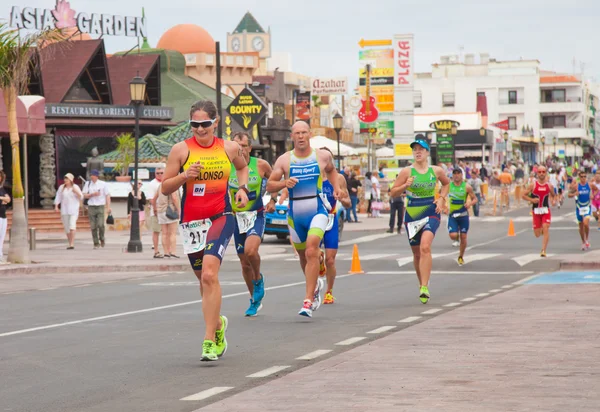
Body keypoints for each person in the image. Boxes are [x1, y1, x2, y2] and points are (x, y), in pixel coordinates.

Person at [161, 100, 249, 362]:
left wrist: (242, 189)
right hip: (192, 223)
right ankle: (219, 324)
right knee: (204, 281)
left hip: (221, 216)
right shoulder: (180, 150)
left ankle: (209, 340)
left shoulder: (229, 148)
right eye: (195, 124)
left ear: (215, 123)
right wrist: (184, 176)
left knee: (210, 274)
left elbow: (243, 167)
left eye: (205, 124)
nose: (200, 129)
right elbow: (165, 188)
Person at [267, 121, 341, 318]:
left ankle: (308, 300)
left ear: (310, 134)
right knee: (304, 256)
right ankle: (315, 283)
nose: (300, 136)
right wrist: (284, 182)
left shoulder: (322, 156)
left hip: (317, 209)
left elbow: (332, 170)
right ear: (292, 136)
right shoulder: (284, 160)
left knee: (311, 249)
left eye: (303, 133)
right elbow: (270, 185)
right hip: (295, 214)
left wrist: (336, 187)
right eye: (297, 133)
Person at [390, 138, 449, 304]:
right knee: (416, 253)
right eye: (415, 149)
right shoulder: (407, 172)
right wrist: (404, 186)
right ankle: (422, 282)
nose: (417, 152)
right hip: (413, 213)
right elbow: (393, 192)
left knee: (425, 246)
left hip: (431, 210)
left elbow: (446, 184)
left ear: (427, 152)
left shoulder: (436, 171)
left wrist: (442, 199)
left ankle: (424, 286)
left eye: (421, 149)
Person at [230, 131, 277, 317]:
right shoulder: (228, 166)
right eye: (236, 145)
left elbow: (274, 182)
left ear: (250, 147)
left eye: (243, 145)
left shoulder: (260, 165)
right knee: (243, 263)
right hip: (237, 218)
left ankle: (258, 279)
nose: (239, 148)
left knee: (251, 251)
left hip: (256, 215)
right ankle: (254, 300)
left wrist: (272, 200)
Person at [318, 147, 351, 305]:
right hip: (314, 220)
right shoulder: (313, 177)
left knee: (330, 260)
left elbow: (348, 202)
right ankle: (319, 264)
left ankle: (329, 292)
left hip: (331, 219)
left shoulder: (339, 178)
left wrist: (343, 198)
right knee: (313, 255)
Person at [522, 166, 556, 257]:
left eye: (543, 172)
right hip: (536, 211)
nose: (541, 173)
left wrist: (553, 200)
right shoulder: (533, 185)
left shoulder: (549, 185)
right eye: (540, 172)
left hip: (545, 210)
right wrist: (532, 200)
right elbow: (523, 195)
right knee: (537, 234)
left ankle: (543, 250)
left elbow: (553, 195)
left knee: (546, 227)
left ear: (545, 173)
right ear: (537, 173)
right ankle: (540, 229)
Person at [446, 168, 478, 265]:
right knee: (453, 235)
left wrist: (470, 204)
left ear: (461, 175)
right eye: (454, 174)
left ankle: (461, 256)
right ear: (452, 175)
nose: (456, 175)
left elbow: (475, 199)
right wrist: (443, 206)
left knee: (463, 237)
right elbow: (441, 195)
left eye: (458, 173)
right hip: (452, 215)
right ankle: (456, 236)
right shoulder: (448, 186)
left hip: (463, 214)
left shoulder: (467, 187)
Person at [82, 169, 111, 249]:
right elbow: (84, 195)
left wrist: (108, 207)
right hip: (91, 206)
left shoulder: (103, 184)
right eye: (91, 175)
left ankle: (102, 238)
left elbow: (107, 195)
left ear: (97, 176)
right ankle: (96, 243)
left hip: (100, 206)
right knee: (93, 226)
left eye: (93, 175)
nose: (92, 177)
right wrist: (92, 194)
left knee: (101, 224)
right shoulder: (88, 184)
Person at [54, 173, 82, 249]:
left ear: (71, 180)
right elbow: (58, 196)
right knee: (67, 228)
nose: (65, 180)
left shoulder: (75, 187)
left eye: (67, 179)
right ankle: (70, 243)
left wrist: (75, 191)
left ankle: (72, 243)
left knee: (72, 226)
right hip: (64, 210)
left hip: (73, 210)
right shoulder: (61, 187)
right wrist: (56, 206)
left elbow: (81, 197)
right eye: (65, 178)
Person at [568, 171, 596, 250]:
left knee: (586, 223)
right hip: (579, 207)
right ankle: (583, 241)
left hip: (587, 206)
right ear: (579, 177)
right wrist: (574, 194)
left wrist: (593, 195)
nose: (583, 178)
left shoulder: (589, 185)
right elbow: (569, 195)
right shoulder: (576, 186)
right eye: (582, 177)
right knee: (581, 226)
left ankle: (587, 239)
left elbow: (596, 190)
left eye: (584, 176)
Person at [154, 182, 180, 258]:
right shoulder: (172, 185)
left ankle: (166, 252)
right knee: (172, 233)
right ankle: (173, 251)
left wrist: (155, 208)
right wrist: (179, 210)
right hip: (170, 210)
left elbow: (154, 198)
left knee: (164, 233)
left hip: (161, 211)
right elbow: (174, 198)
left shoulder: (160, 186)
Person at [146, 167, 164, 258]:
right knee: (156, 231)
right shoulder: (152, 184)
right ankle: (156, 250)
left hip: (167, 211)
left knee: (167, 232)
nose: (160, 174)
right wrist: (155, 209)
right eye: (158, 173)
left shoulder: (167, 182)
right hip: (157, 211)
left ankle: (167, 251)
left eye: (161, 172)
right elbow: (151, 199)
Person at [0, 171, 10, 261]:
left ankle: (0, 253)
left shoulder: (1, 189)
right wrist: (3, 199)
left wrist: (2, 198)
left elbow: (8, 199)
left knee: (2, 236)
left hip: (3, 216)